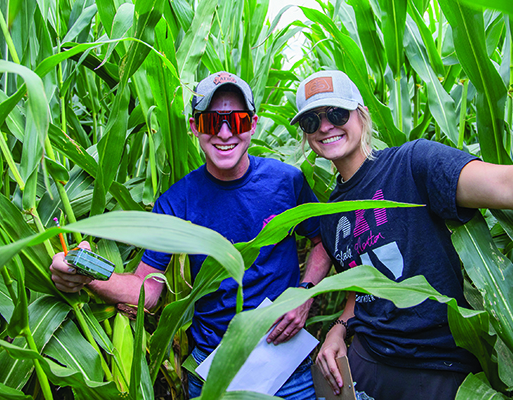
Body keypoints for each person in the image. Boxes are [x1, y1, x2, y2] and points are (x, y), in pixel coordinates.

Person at [289, 69, 513, 400]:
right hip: (367, 366)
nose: (326, 127)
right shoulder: (328, 213)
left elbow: (504, 185)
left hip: (439, 370)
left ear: (361, 114)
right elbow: (360, 289)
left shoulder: (412, 164)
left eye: (336, 113)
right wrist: (339, 328)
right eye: (311, 122)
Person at [51, 71, 332, 399]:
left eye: (237, 121)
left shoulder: (286, 182)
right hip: (215, 371)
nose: (225, 133)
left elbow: (321, 242)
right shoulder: (176, 201)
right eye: (212, 122)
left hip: (287, 367)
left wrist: (304, 295)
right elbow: (148, 291)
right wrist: (85, 274)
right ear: (194, 127)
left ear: (253, 124)